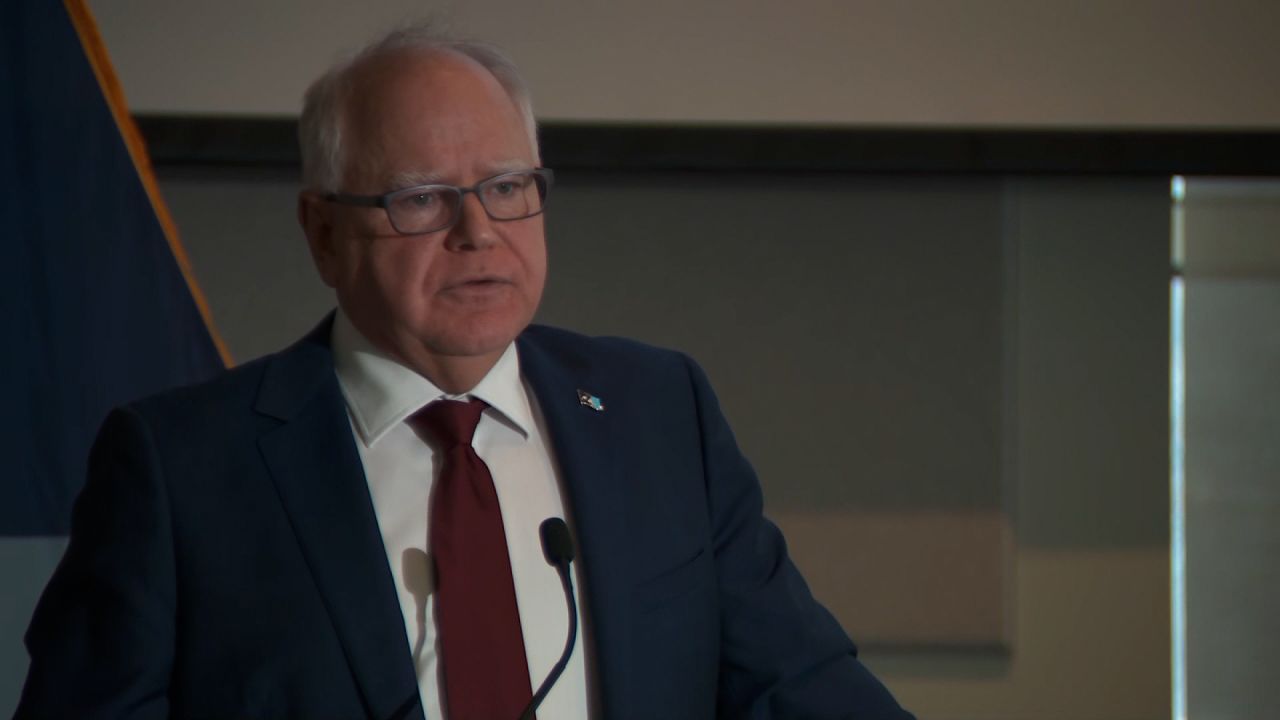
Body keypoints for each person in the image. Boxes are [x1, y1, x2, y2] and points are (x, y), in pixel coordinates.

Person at [18, 22, 914, 720]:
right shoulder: (183, 469)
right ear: (323, 232)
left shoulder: (656, 415)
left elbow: (799, 689)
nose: (478, 231)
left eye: (507, 186)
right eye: (421, 199)